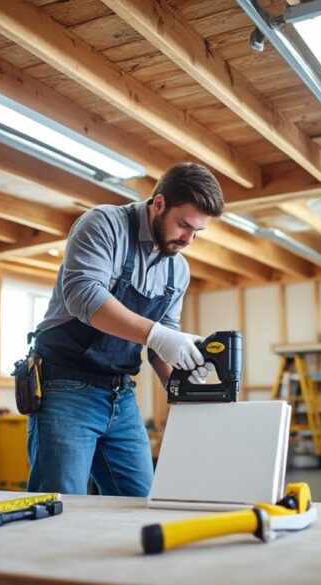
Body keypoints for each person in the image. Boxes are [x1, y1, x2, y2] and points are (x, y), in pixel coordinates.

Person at [27, 162, 223, 496]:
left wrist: (182, 382)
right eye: (183, 225)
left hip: (121, 394)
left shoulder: (178, 270)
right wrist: (160, 335)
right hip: (66, 386)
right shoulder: (104, 225)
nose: (189, 239)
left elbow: (163, 344)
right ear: (158, 203)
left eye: (197, 232)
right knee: (60, 502)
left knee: (140, 502)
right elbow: (84, 295)